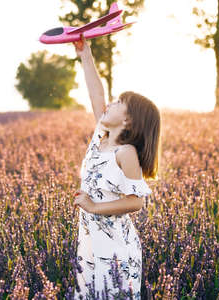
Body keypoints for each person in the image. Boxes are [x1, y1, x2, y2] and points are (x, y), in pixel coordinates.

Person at [72, 34, 162, 299]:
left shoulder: (126, 152)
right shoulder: (99, 140)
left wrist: (94, 207)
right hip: (91, 241)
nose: (109, 103)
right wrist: (85, 53)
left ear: (130, 122)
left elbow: (136, 202)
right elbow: (96, 93)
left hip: (115, 249)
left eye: (118, 102)